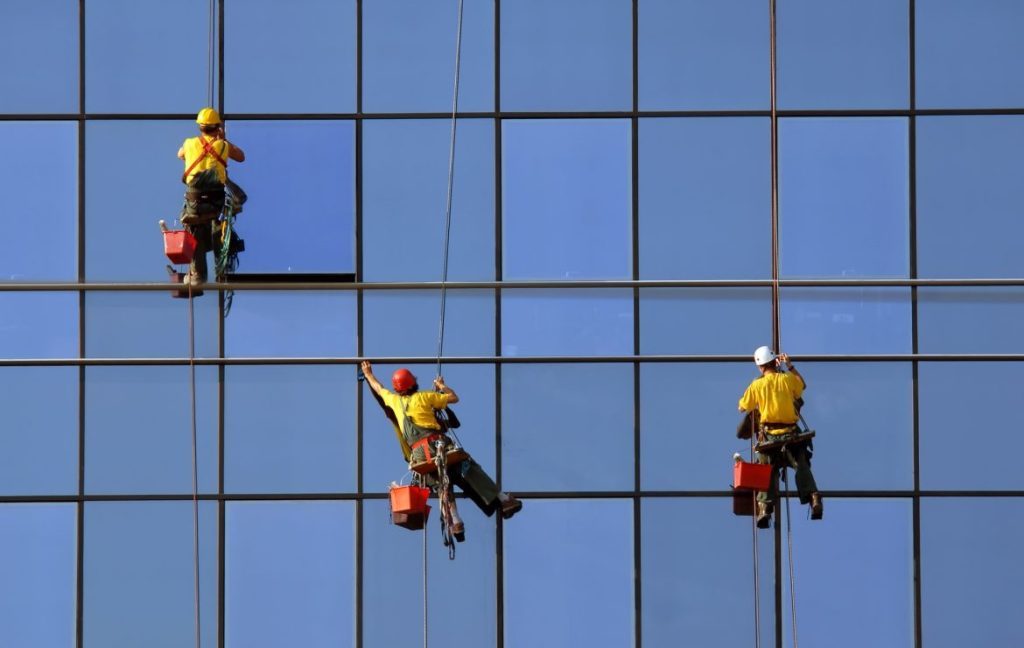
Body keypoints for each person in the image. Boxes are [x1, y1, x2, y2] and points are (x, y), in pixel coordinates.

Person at [360, 361, 522, 541]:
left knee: (442, 484)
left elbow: (378, 387)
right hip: (437, 445)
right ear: (413, 383)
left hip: (419, 455)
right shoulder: (425, 397)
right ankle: (504, 500)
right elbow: (454, 398)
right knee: (469, 468)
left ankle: (456, 521)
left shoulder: (394, 400)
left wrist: (368, 374)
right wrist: (441, 386)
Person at [738, 346, 823, 528]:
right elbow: (802, 385)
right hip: (791, 434)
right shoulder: (787, 379)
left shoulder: (757, 385)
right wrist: (789, 366)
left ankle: (765, 509)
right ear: (773, 362)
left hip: (770, 438)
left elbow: (742, 406)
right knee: (801, 465)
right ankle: (814, 497)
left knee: (765, 471)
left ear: (760, 366)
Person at [175, 107, 246, 286]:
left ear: (200, 127)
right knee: (217, 227)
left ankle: (198, 276)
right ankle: (221, 270)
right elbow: (241, 157)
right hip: (216, 204)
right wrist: (221, 139)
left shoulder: (190, 143)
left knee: (195, 230)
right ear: (217, 127)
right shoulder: (223, 145)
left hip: (195, 204)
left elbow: (180, 154)